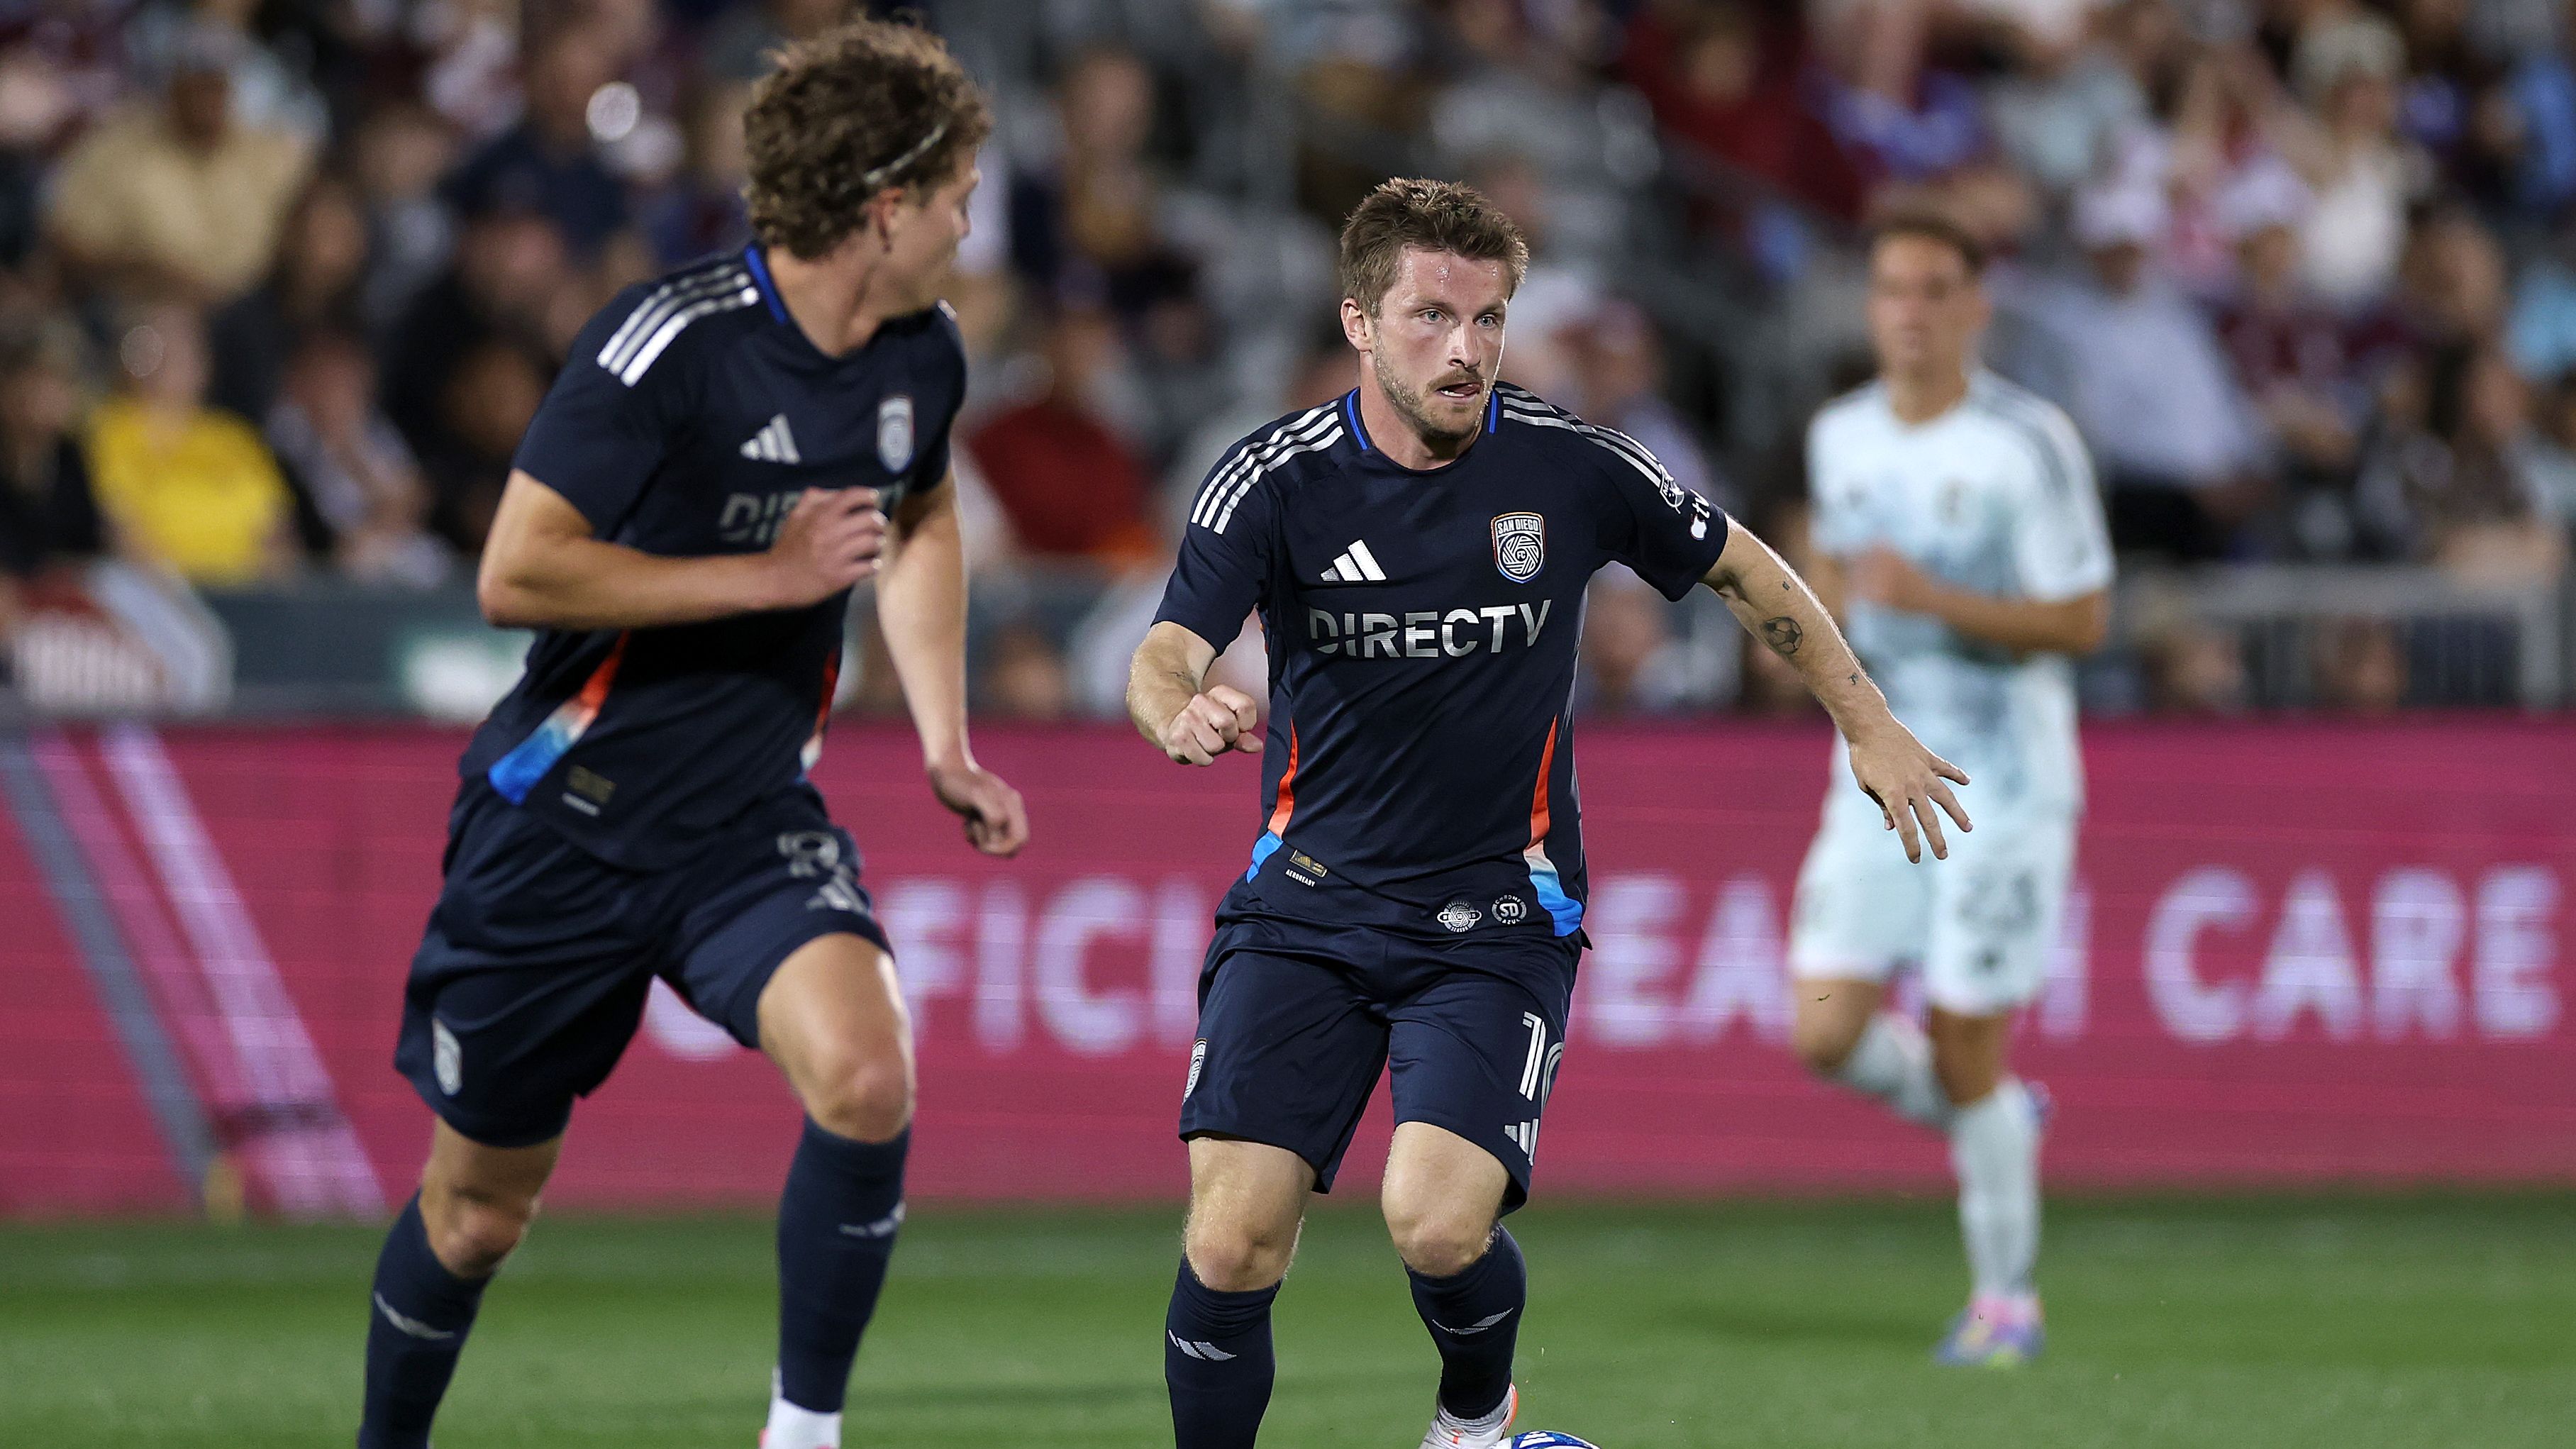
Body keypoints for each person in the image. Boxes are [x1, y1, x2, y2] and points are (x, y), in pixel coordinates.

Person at [1126, 178, 1967, 1449]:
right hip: (1305, 907)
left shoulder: (1566, 464)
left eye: (1489, 318)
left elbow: (1740, 559)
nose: (1464, 349)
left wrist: (1866, 716)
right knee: (1233, 1238)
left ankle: (1474, 1424)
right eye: (1430, 317)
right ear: (1360, 323)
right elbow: (1167, 649)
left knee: (1437, 1221)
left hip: (1497, 912)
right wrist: (1180, 709)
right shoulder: (1277, 477)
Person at [354, 23, 1027, 1449]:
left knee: (866, 1072)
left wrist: (944, 738)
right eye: (960, 190)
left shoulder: (924, 355)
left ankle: (802, 1434)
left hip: (744, 822)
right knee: (478, 1214)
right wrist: (763, 578)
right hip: (561, 821)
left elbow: (918, 515)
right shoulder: (671, 344)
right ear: (887, 205)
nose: (976, 218)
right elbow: (514, 572)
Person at [1790, 213, 2114, 1367]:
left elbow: (2082, 619)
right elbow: (1830, 580)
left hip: (2004, 785)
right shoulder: (1840, 436)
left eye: (1935, 289)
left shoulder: (2029, 444)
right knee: (1823, 1029)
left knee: (1964, 1039)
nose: (1910, 312)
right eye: (1891, 290)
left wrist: (1935, 601)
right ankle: (1997, 1131)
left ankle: (2006, 1305)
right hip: (1876, 771)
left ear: (1977, 305)